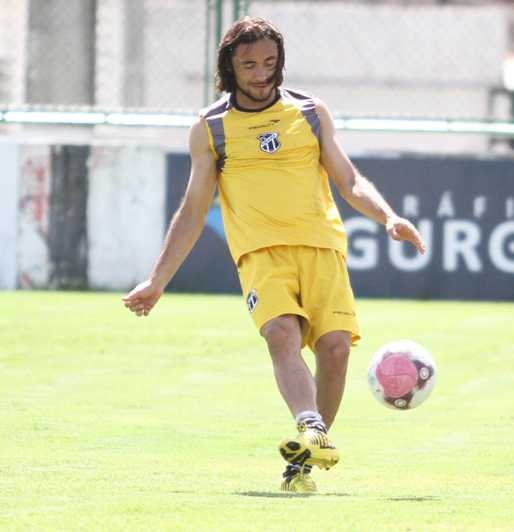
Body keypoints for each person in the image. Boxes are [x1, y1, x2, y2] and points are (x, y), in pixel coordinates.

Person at [122, 16, 426, 494]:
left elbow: (348, 180)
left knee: (336, 350)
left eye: (269, 62)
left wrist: (387, 216)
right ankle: (312, 425)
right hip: (261, 254)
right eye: (249, 65)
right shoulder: (211, 127)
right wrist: (157, 280)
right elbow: (195, 208)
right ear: (229, 66)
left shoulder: (310, 111)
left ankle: (305, 458)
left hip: (323, 247)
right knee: (281, 333)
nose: (261, 73)